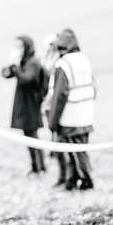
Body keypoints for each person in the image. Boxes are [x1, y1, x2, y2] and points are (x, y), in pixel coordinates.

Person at [48, 29, 96, 191]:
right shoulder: (84, 59)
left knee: (72, 151)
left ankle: (84, 180)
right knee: (81, 149)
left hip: (70, 115)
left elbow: (59, 95)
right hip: (86, 112)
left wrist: (53, 121)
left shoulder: (63, 64)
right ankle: (76, 180)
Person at [1, 35, 48, 176]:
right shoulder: (23, 62)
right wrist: (13, 64)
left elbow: (27, 78)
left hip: (31, 105)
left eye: (19, 46)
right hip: (25, 105)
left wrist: (16, 67)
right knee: (29, 136)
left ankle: (39, 167)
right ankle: (37, 167)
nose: (17, 49)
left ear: (27, 47)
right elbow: (5, 74)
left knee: (32, 136)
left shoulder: (32, 62)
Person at [41, 33, 67, 187]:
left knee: (60, 142)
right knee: (55, 139)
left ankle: (64, 176)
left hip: (56, 102)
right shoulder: (50, 57)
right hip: (50, 101)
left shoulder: (61, 60)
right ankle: (63, 176)